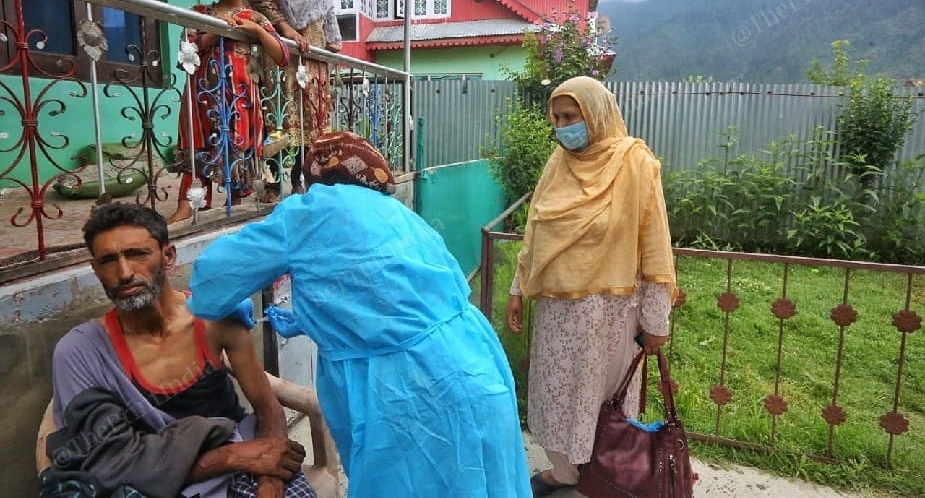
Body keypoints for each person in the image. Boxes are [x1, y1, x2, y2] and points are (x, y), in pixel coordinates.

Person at [187, 131, 532, 498]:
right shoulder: (398, 212)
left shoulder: (307, 212)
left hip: (403, 388)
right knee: (486, 477)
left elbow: (213, 277)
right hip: (475, 362)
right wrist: (309, 320)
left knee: (408, 485)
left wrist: (222, 303)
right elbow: (395, 297)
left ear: (314, 175)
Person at [45, 202, 313, 498]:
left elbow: (268, 410)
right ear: (96, 270)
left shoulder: (216, 319)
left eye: (137, 254)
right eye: (108, 260)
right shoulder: (79, 351)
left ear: (168, 256)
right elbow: (109, 464)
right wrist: (231, 457)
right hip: (152, 487)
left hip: (244, 466)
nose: (124, 273)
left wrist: (270, 483)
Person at [505, 76, 678, 497]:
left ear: (596, 115)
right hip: (558, 314)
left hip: (610, 316)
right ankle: (565, 471)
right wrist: (517, 288)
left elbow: (654, 247)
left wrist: (657, 321)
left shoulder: (634, 163)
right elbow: (536, 232)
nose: (563, 126)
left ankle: (605, 474)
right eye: (557, 117)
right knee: (556, 397)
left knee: (604, 403)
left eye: (571, 116)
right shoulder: (558, 163)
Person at [169, 0, 289, 223]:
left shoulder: (255, 17)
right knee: (199, 148)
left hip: (240, 97)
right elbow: (187, 51)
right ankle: (189, 205)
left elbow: (282, 55)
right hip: (202, 95)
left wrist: (257, 33)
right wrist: (219, 32)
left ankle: (234, 204)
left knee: (237, 147)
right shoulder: (199, 14)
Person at [245, 0, 343, 201]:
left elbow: (325, 3)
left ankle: (300, 177)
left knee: (309, 119)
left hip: (311, 49)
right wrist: (285, 28)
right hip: (279, 46)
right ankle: (274, 181)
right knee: (277, 114)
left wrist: (333, 40)